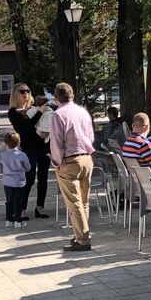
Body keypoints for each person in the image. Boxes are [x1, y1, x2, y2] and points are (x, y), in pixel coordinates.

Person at [49, 82, 96, 252]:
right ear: (72, 95)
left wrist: (56, 162)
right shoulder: (83, 112)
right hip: (86, 158)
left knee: (74, 203)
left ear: (56, 98)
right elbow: (90, 136)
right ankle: (81, 234)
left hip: (69, 161)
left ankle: (82, 239)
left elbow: (56, 142)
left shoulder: (58, 115)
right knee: (84, 201)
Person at [7, 84, 51, 220]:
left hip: (44, 146)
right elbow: (25, 128)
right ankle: (22, 208)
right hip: (28, 148)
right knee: (29, 179)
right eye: (22, 91)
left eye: (28, 91)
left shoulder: (35, 108)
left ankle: (40, 207)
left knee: (43, 178)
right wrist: (40, 112)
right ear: (15, 94)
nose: (25, 94)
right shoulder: (14, 112)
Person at [0, 131, 32, 229]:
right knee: (18, 201)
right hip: (19, 182)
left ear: (5, 143)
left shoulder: (1, 155)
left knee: (9, 201)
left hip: (7, 181)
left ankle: (8, 219)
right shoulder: (22, 155)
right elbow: (28, 168)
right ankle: (18, 221)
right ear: (18, 142)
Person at [123, 113, 151, 178]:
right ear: (146, 127)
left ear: (132, 126)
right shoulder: (144, 144)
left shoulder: (127, 143)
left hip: (137, 180)